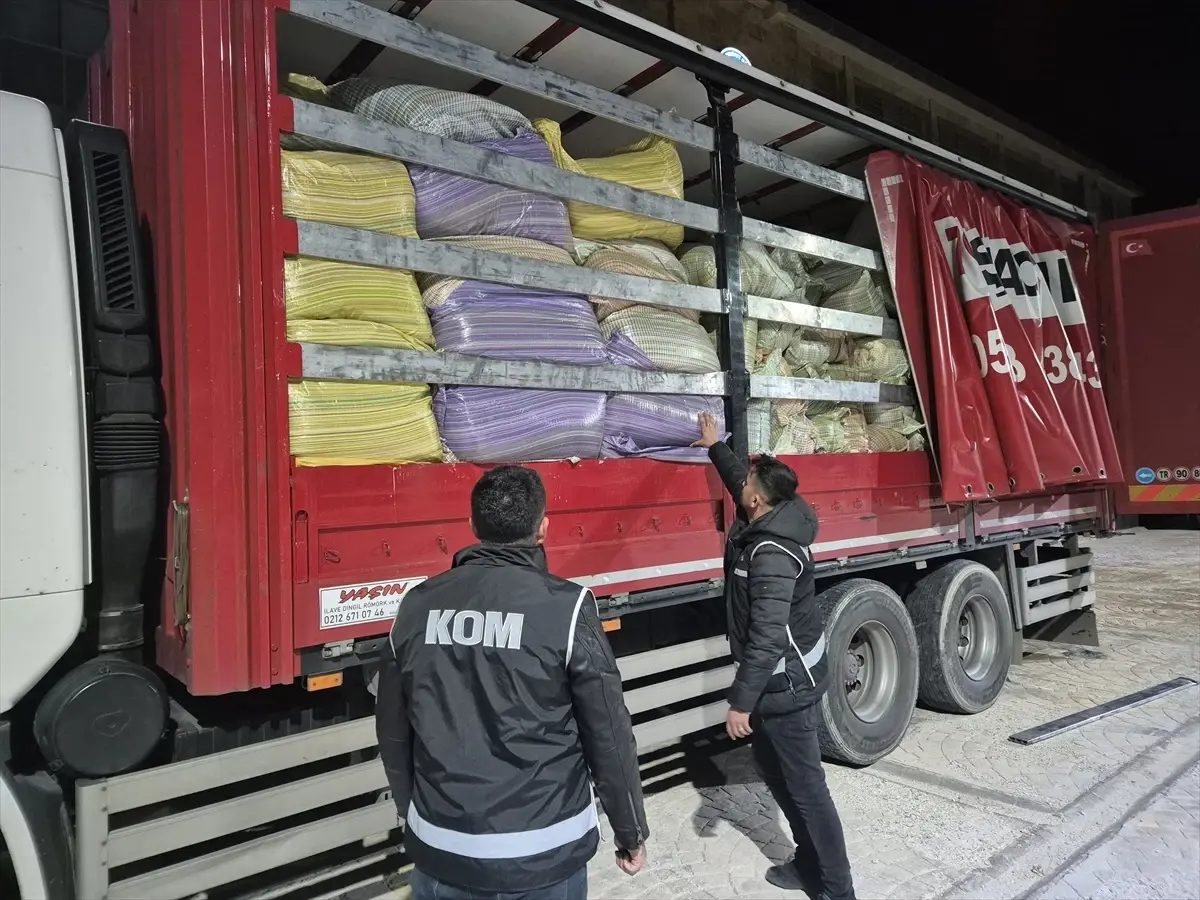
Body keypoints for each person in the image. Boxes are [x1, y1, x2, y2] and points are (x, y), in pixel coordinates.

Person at [375, 465, 649, 900]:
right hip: (544, 855)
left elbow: (392, 730)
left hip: (441, 850)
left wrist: (415, 812)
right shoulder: (568, 608)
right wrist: (630, 832)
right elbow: (609, 734)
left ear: (472, 525)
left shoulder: (416, 606)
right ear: (543, 529)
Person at [693, 413, 856, 900]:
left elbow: (767, 635)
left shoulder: (771, 553)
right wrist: (715, 445)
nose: (741, 485)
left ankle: (838, 890)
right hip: (775, 685)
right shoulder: (775, 510)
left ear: (758, 501)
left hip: (786, 686)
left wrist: (740, 702)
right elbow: (740, 482)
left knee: (806, 790)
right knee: (777, 776)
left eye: (748, 484)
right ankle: (808, 864)